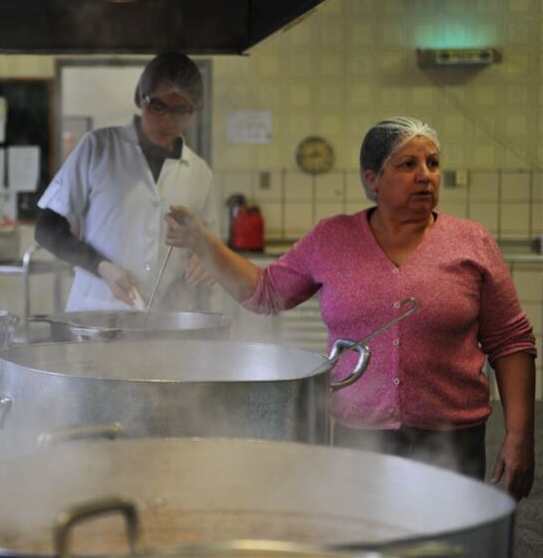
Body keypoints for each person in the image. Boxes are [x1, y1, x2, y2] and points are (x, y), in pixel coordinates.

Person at [164, 117, 536, 499]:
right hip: (359, 437)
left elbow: (511, 342)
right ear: (372, 179)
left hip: (453, 438)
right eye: (408, 165)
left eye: (433, 164)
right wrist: (203, 243)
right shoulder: (333, 239)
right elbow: (266, 292)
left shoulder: (471, 242)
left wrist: (520, 435)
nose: (425, 175)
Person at [36, 52, 217, 312]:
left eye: (180, 110)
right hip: (95, 315)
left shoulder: (199, 172)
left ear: (193, 110)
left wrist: (205, 261)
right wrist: (102, 267)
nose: (167, 120)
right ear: (140, 99)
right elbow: (46, 228)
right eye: (158, 106)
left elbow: (208, 244)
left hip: (164, 322)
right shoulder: (97, 148)